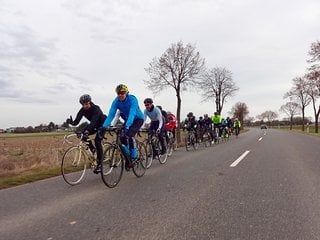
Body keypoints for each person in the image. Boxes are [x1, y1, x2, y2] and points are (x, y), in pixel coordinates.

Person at [99, 84, 144, 167]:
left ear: (126, 93)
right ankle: (128, 157)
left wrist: (127, 125)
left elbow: (132, 113)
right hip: (128, 119)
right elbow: (111, 114)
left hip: (138, 119)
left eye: (122, 93)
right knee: (122, 137)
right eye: (118, 93)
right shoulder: (116, 101)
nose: (120, 95)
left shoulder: (132, 99)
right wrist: (104, 127)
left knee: (130, 135)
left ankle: (134, 156)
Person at [66, 94, 107, 174]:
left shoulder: (96, 108)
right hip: (93, 125)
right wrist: (71, 122)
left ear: (90, 102)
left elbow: (94, 121)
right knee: (82, 135)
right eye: (83, 104)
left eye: (86, 104)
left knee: (97, 141)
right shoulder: (82, 110)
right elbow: (76, 121)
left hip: (102, 124)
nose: (84, 106)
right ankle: (93, 149)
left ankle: (99, 164)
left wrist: (87, 131)